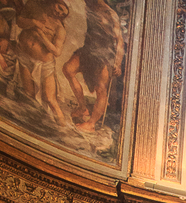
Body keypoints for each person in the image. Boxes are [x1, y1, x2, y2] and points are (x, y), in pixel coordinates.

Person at [62, 0, 123, 131]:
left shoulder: (110, 14)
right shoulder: (89, 5)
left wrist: (117, 62)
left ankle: (92, 123)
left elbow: (119, 41)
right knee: (68, 69)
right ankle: (83, 108)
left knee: (101, 90)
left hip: (103, 55)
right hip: (88, 50)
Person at [16, 0, 68, 125]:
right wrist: (33, 22)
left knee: (51, 99)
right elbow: (19, 21)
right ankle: (31, 124)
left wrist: (41, 36)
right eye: (60, 8)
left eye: (63, 14)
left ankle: (63, 128)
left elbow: (57, 51)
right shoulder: (34, 6)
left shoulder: (60, 28)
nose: (59, 13)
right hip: (25, 56)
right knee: (29, 93)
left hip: (44, 64)